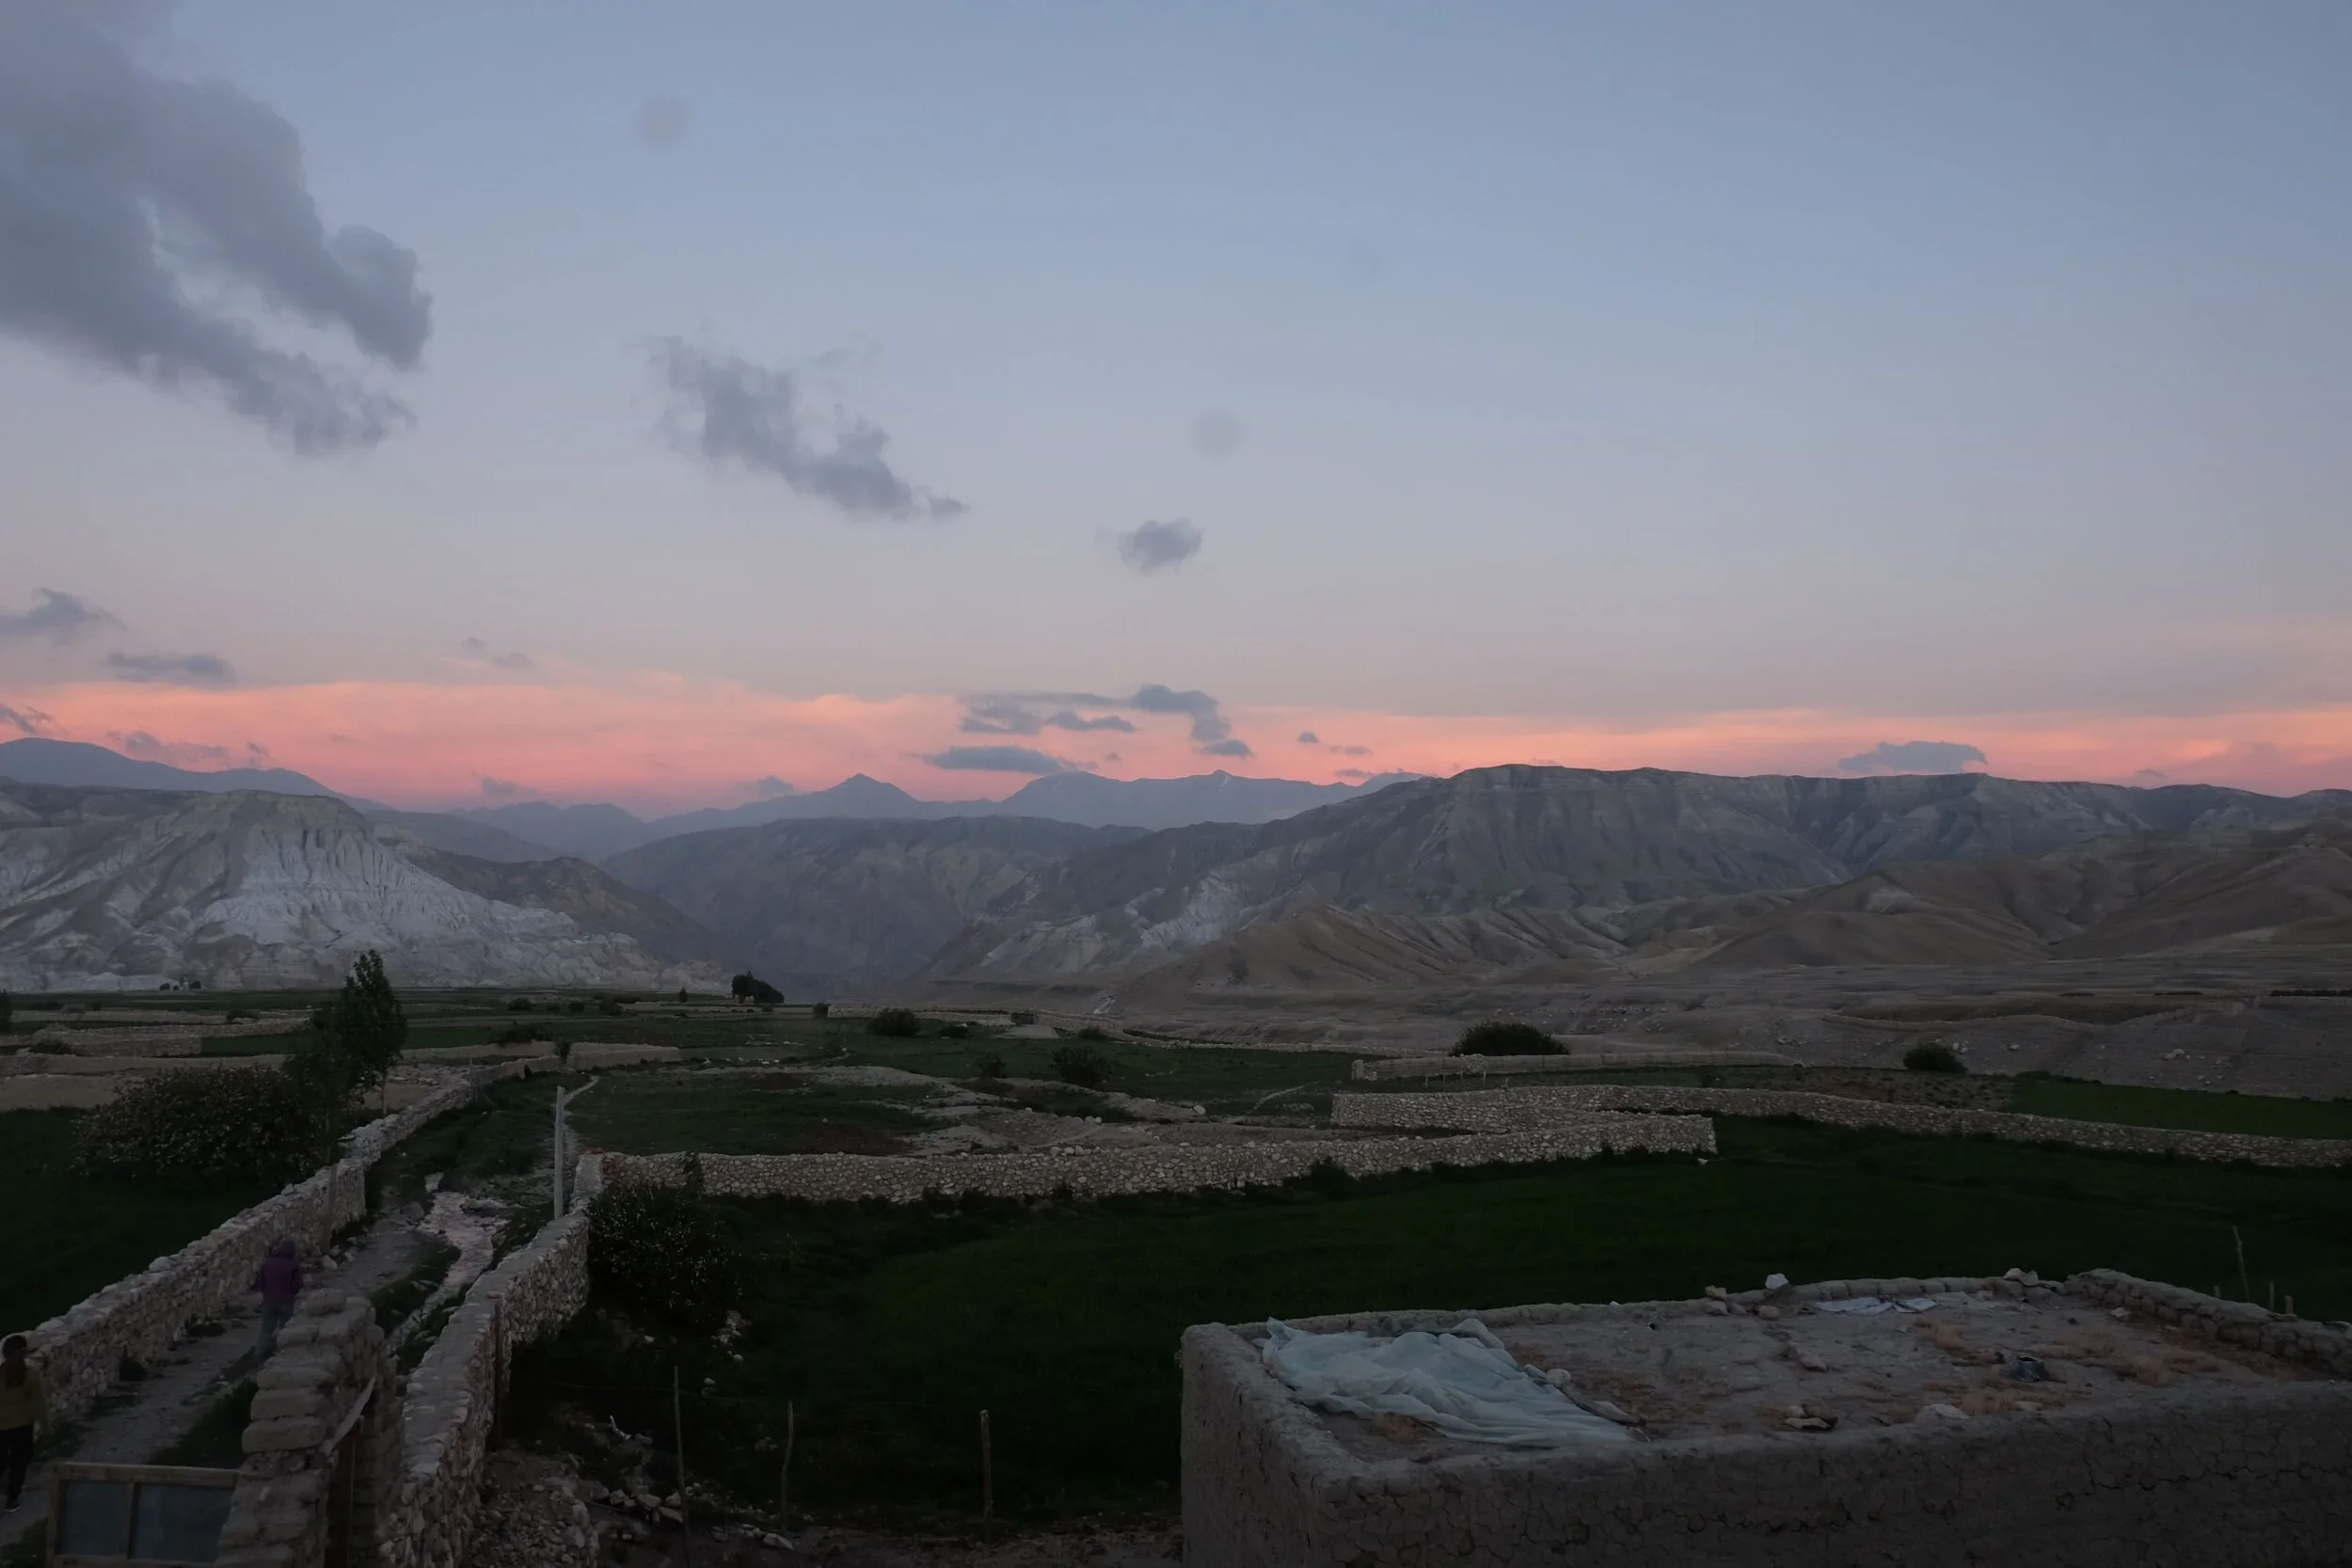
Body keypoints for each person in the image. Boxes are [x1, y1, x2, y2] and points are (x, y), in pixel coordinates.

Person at [0, 1334, 47, 1515]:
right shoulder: (31, 1376)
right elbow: (39, 1403)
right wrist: (47, 1426)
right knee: (20, 1461)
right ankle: (12, 1498)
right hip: (23, 1424)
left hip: (1, 1425)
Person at [252, 1239, 303, 1361]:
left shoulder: (267, 1263)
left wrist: (266, 1294)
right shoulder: (293, 1264)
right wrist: (291, 1293)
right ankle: (285, 1355)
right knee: (286, 1329)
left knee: (266, 1330)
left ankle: (257, 1354)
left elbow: (260, 1282)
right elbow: (299, 1284)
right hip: (286, 1301)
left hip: (269, 1302)